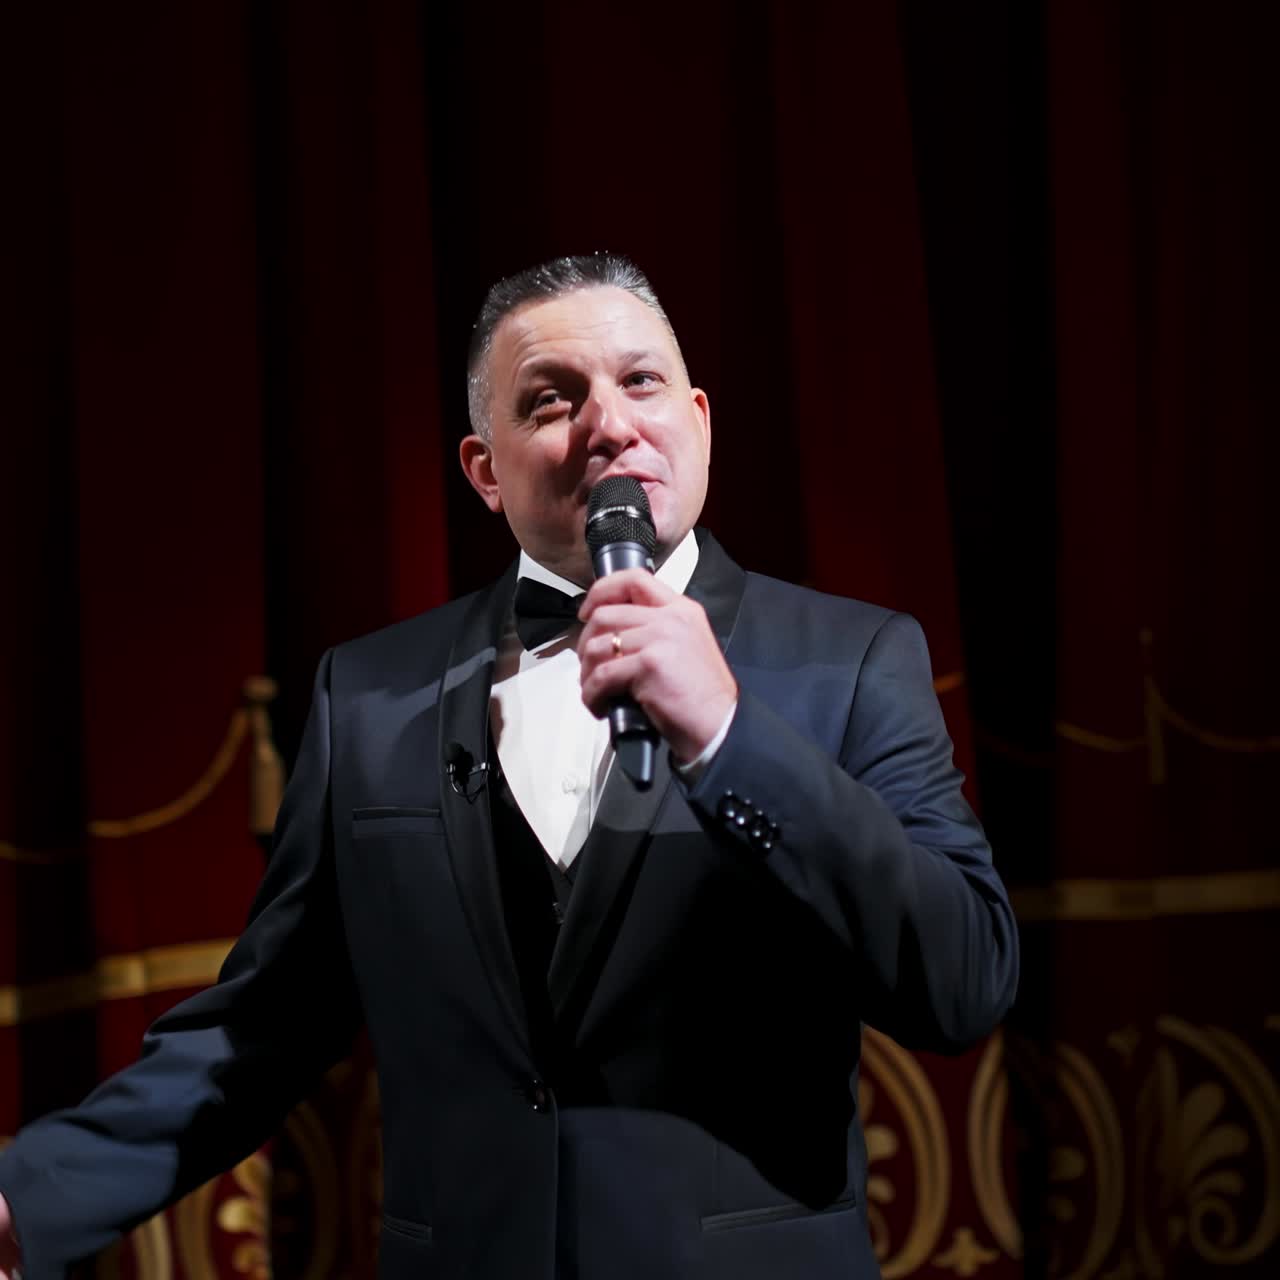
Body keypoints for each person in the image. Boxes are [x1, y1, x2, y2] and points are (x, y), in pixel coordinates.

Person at [0, 254, 1019, 1278]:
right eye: (551, 399)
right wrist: (26, 1198)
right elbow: (260, 1028)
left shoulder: (850, 661)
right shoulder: (364, 697)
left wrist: (725, 732)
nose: (609, 423)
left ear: (699, 419)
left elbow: (963, 974)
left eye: (640, 381)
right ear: (485, 469)